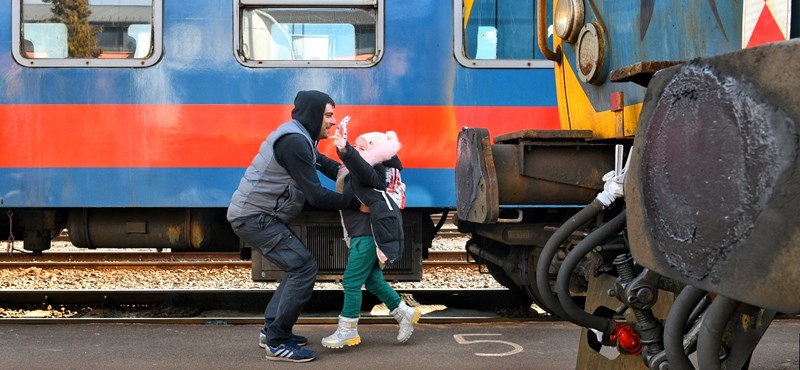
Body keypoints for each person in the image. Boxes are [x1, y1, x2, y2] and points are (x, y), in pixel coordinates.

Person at [227, 90, 359, 363]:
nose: (333, 122)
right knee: (303, 267)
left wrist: (359, 171)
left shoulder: (302, 140)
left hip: (259, 216)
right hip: (255, 218)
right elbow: (316, 195)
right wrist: (356, 203)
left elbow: (327, 166)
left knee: (296, 266)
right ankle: (277, 342)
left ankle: (271, 331)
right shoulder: (294, 143)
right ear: (313, 114)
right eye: (328, 114)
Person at [321, 129, 421, 349]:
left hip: (368, 233)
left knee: (351, 281)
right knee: (373, 280)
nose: (357, 150)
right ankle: (404, 313)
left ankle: (348, 330)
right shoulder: (357, 169)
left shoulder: (375, 169)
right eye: (355, 146)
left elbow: (365, 173)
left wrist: (347, 150)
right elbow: (337, 170)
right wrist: (315, 156)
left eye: (362, 147)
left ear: (376, 151)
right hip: (358, 232)